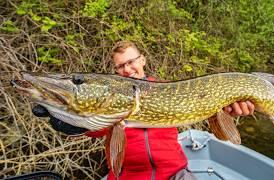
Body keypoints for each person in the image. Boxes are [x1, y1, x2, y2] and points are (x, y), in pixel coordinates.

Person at [32, 41, 255, 180]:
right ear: (115, 70)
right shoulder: (111, 98)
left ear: (143, 60)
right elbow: (93, 128)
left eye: (131, 62)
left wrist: (229, 111)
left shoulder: (170, 87)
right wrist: (64, 119)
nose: (128, 69)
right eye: (121, 66)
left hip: (174, 174)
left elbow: (216, 113)